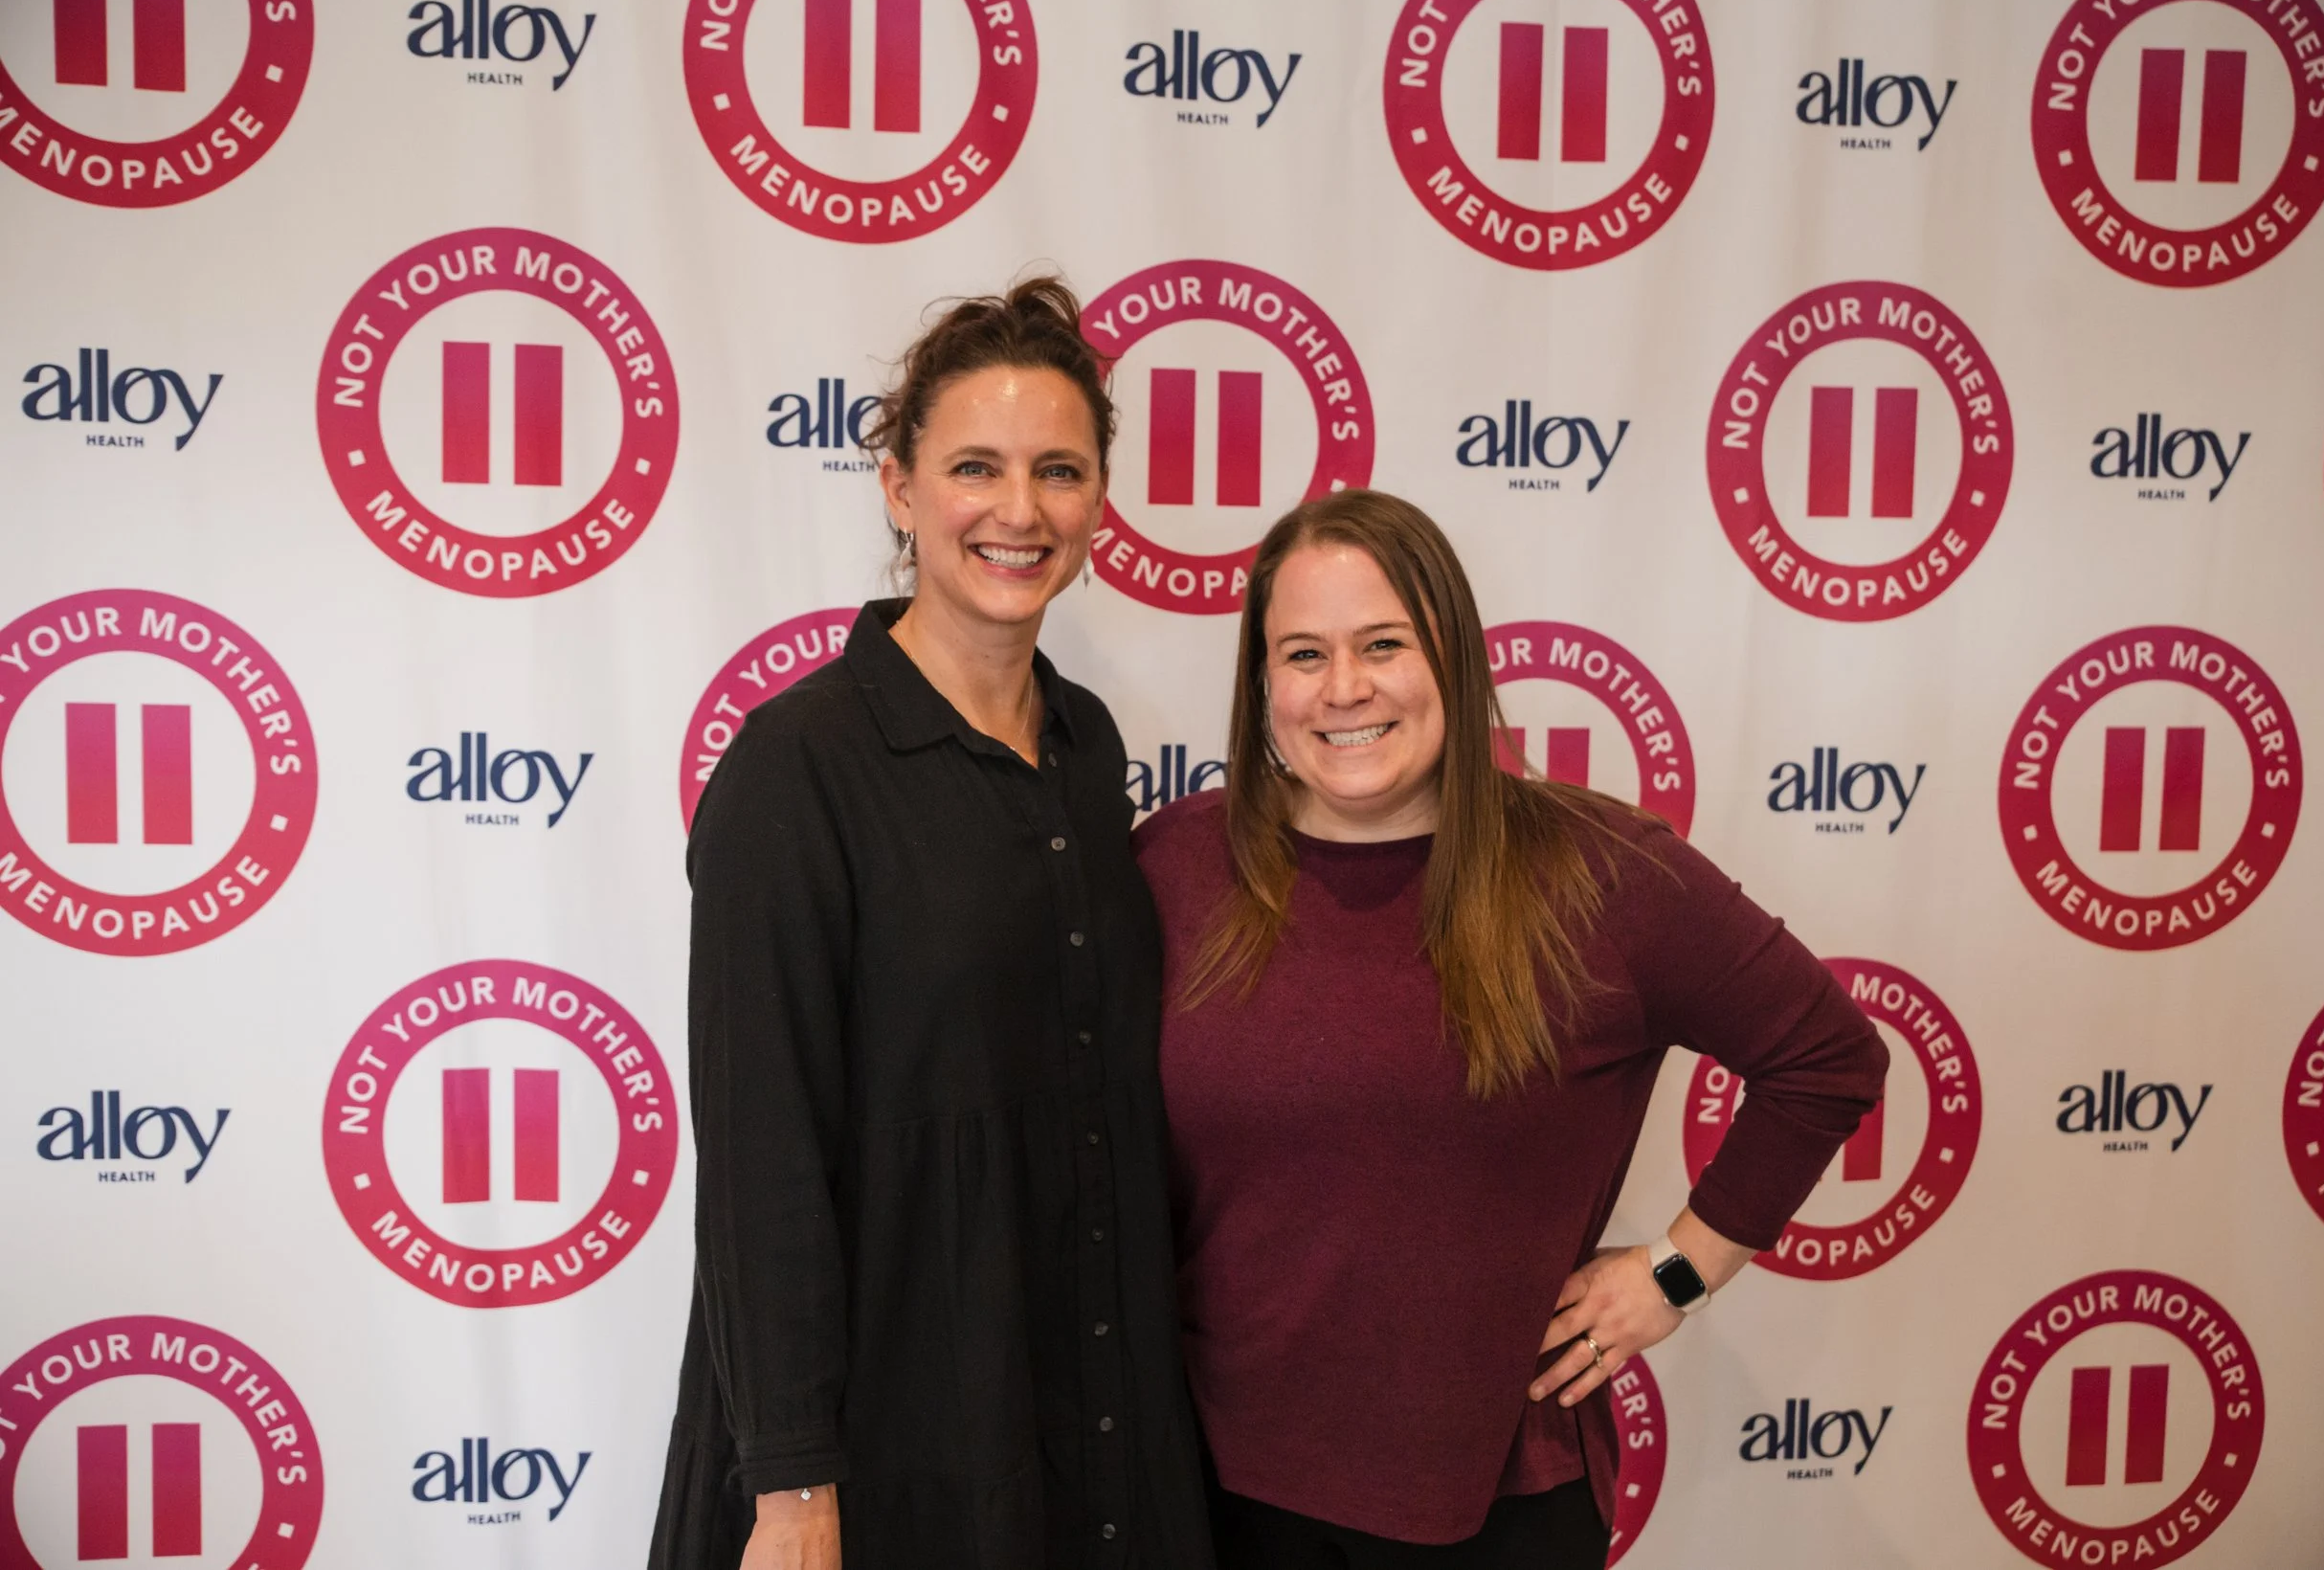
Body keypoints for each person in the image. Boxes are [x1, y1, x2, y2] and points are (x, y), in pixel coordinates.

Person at [1134, 489, 1889, 1567]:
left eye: (1383, 643)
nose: (1343, 687)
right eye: (1302, 653)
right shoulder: (1173, 865)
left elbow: (1827, 1057)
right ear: (1262, 683)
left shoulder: (1601, 873)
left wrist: (1679, 1270)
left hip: (1490, 1508)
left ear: (1454, 655)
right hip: (1207, 1493)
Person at [648, 278, 1212, 1570]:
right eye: (976, 466)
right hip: (880, 1427)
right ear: (899, 486)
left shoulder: (1085, 744)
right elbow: (761, 1155)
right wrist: (791, 1486)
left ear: (1099, 502)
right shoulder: (797, 767)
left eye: (1059, 470)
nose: (1020, 510)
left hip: (1080, 1391)